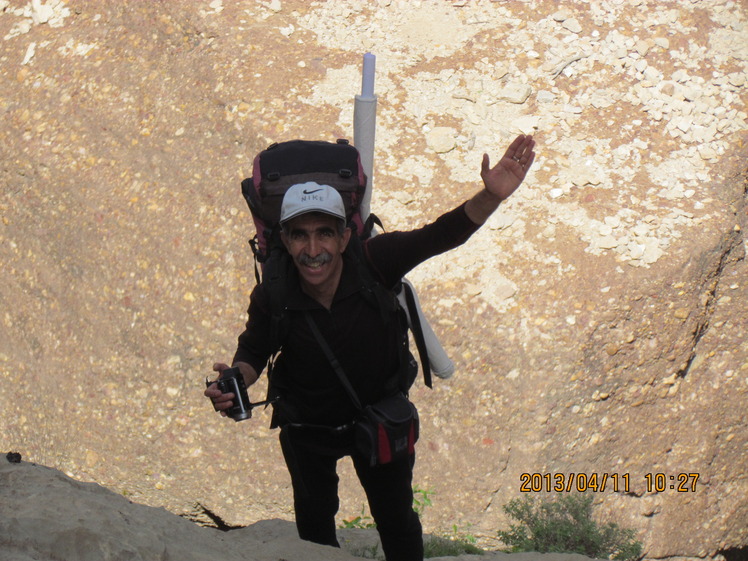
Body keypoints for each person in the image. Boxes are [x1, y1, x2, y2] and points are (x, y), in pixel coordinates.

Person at [205, 134, 536, 561]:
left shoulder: (375, 261)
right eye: (300, 236)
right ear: (284, 241)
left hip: (379, 418)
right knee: (315, 526)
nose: (313, 250)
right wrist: (236, 382)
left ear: (344, 237)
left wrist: (491, 197)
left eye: (324, 234)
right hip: (307, 429)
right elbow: (253, 349)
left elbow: (440, 235)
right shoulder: (275, 290)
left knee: (397, 519)